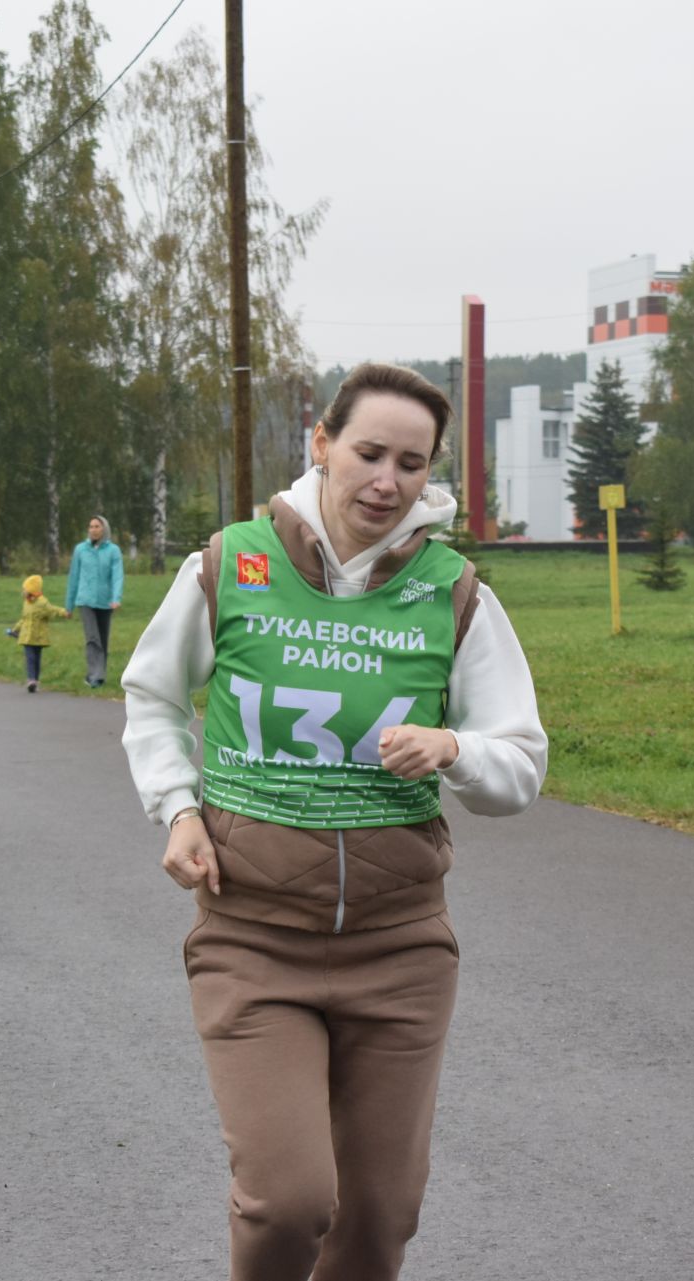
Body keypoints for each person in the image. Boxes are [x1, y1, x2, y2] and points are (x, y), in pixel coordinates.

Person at [121, 362, 548, 1280]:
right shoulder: (229, 564)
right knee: (289, 1203)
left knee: (380, 1217)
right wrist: (178, 807)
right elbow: (153, 695)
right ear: (320, 445)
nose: (386, 480)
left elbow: (521, 762)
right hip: (253, 938)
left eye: (410, 461)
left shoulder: (454, 590)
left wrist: (455, 749)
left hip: (400, 951)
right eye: (367, 452)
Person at [65, 514, 123, 687]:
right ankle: (94, 675)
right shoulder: (80, 549)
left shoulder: (113, 550)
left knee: (102, 639)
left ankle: (100, 674)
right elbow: (73, 577)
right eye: (91, 527)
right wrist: (68, 605)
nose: (93, 530)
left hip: (105, 601)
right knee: (92, 638)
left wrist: (116, 598)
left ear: (104, 529)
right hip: (85, 600)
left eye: (97, 526)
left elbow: (117, 576)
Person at [9, 573, 69, 693]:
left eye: (25, 589)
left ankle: (35, 680)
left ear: (32, 590)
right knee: (30, 657)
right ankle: (31, 680)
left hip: (39, 636)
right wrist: (15, 629)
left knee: (36, 658)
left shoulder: (42, 602)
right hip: (27, 637)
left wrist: (65, 612)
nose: (24, 591)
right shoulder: (26, 603)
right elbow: (24, 619)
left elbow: (52, 610)